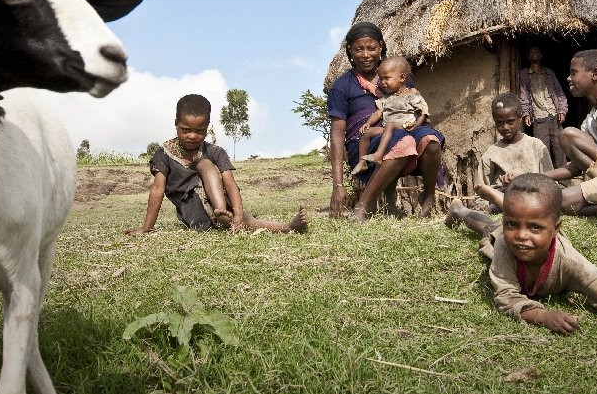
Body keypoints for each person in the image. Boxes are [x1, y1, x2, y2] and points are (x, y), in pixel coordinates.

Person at [445, 174, 597, 351]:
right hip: (497, 236)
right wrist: (543, 316)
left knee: (493, 226)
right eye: (512, 223)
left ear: (556, 229)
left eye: (535, 227)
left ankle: (482, 206)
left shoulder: (569, 261)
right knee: (488, 228)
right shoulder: (505, 245)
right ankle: (459, 211)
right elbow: (506, 297)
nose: (521, 235)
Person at [126, 94, 307, 235]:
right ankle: (225, 216)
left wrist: (236, 214)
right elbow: (157, 190)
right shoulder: (164, 154)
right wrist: (146, 228)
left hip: (222, 203)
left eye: (200, 131)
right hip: (193, 210)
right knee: (205, 166)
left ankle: (285, 227)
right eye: (186, 130)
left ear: (207, 128)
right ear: (176, 125)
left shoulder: (215, 152)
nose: (192, 136)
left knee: (241, 216)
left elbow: (230, 184)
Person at [327, 22, 443, 221]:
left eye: (371, 48)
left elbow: (413, 109)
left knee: (431, 140)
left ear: (381, 47)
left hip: (403, 130)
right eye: (358, 49)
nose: (365, 55)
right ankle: (362, 207)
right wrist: (338, 185)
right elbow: (337, 136)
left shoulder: (399, 76)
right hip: (364, 144)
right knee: (401, 142)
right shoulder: (342, 86)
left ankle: (429, 197)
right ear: (350, 51)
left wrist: (417, 123)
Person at [546, 50, 597, 216]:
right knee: (562, 202)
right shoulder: (590, 119)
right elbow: (575, 167)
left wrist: (594, 186)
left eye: (574, 73)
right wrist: (538, 176)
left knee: (567, 135)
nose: (569, 78)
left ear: (595, 74)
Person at [474, 93, 553, 211]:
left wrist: (523, 181)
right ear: (494, 121)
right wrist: (483, 204)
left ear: (520, 118)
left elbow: (550, 182)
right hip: (501, 198)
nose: (505, 127)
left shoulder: (536, 146)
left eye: (510, 121)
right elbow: (481, 191)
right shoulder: (491, 154)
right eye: (500, 123)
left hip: (532, 196)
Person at [353, 56, 429, 175]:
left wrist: (415, 126)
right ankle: (362, 162)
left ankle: (378, 155)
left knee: (390, 125)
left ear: (402, 77)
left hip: (405, 127)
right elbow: (378, 113)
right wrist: (368, 123)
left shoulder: (411, 95)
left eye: (386, 78)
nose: (382, 83)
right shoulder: (387, 98)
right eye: (381, 79)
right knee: (366, 133)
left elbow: (422, 112)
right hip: (387, 128)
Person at [519, 45, 569, 166]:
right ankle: (546, 180)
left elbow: (559, 92)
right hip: (539, 118)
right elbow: (523, 95)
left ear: (541, 56)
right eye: (532, 52)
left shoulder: (549, 73)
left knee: (560, 148)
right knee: (542, 151)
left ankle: (563, 181)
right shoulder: (524, 74)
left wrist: (562, 110)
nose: (535, 54)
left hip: (554, 115)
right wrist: (526, 114)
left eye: (537, 52)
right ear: (528, 57)